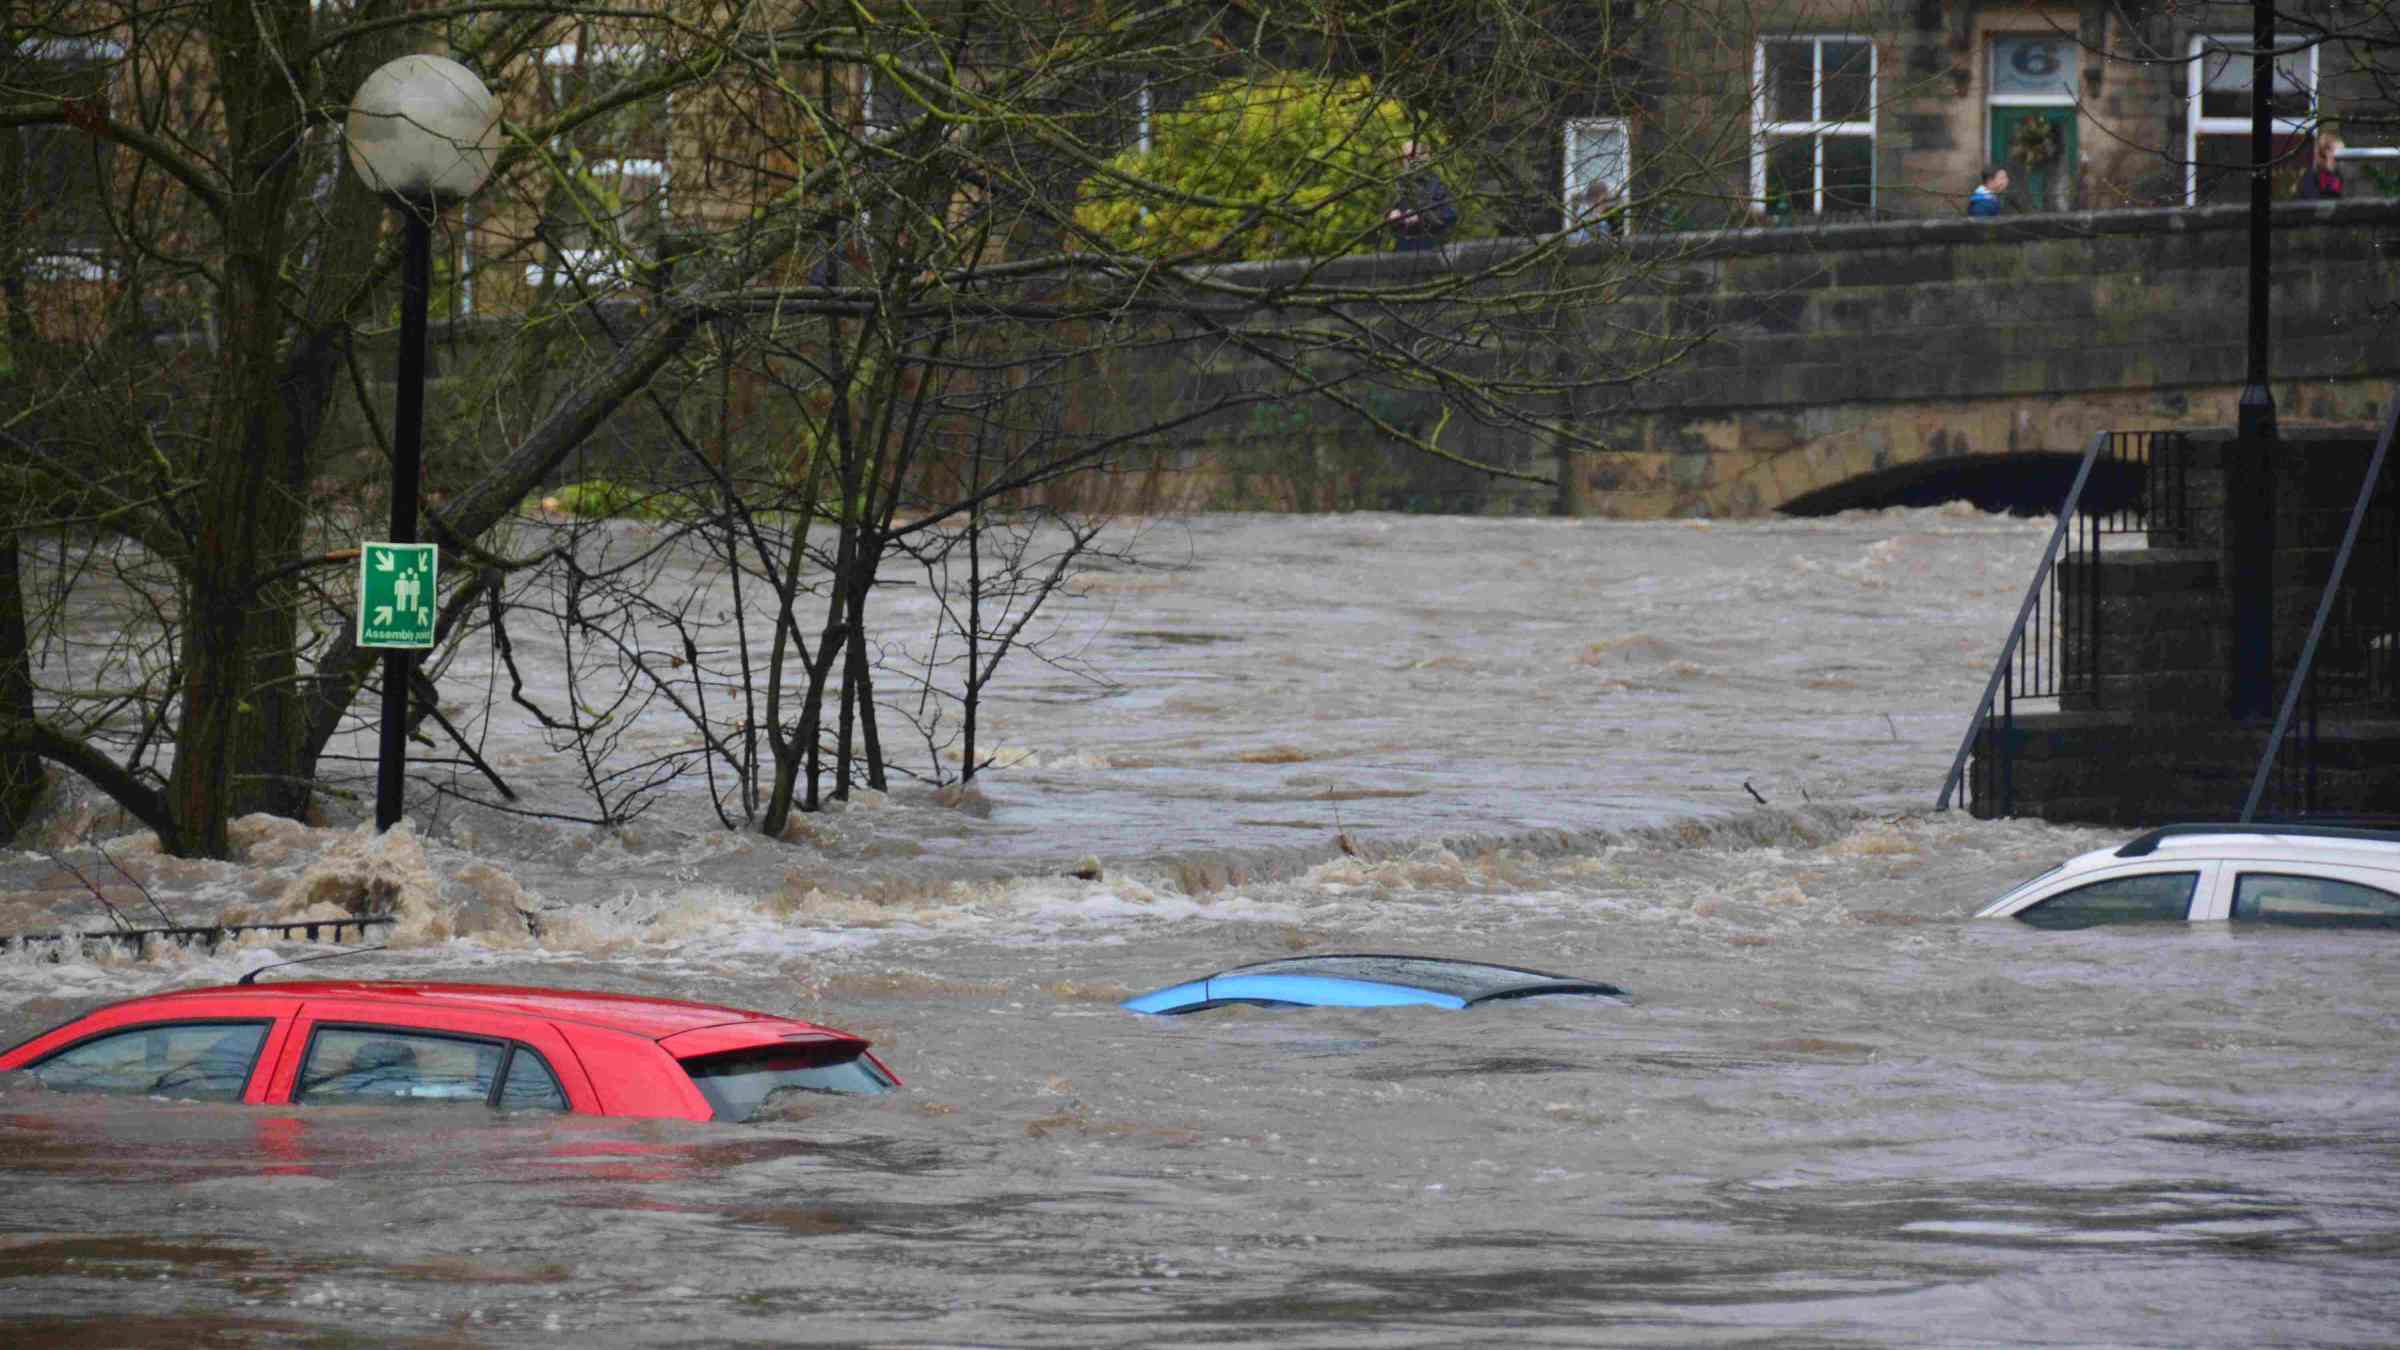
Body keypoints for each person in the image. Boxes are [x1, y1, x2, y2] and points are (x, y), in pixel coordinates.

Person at [1386, 141, 1458, 252]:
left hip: (1433, 249)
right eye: (1406, 158)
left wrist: (1420, 218)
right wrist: (1392, 215)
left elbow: (1450, 215)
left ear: (1426, 157)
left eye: (1414, 156)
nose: (1410, 161)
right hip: (1403, 250)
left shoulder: (1438, 184)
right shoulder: (1398, 185)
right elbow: (1387, 215)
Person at [2297, 131, 2344, 200]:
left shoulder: (2338, 175)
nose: (2341, 159)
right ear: (2325, 153)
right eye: (2338, 154)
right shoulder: (2311, 177)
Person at [1567, 178, 1617, 243]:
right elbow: (1585, 238)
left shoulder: (1596, 215)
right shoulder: (1586, 213)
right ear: (1595, 199)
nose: (1606, 205)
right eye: (1604, 200)